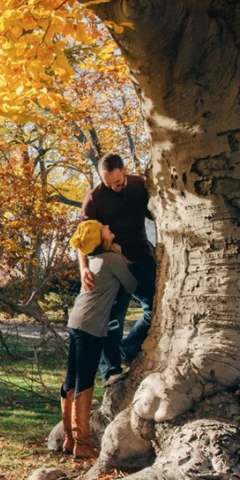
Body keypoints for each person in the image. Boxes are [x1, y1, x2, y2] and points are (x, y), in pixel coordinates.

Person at [62, 220, 137, 459]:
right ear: (100, 237)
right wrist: (123, 258)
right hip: (91, 326)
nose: (108, 226)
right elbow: (131, 285)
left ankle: (69, 439)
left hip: (76, 321)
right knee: (84, 381)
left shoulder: (93, 261)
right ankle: (82, 444)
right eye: (104, 228)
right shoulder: (112, 260)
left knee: (70, 380)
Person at [79, 153, 156, 384]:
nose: (114, 187)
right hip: (111, 263)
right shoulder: (94, 199)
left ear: (124, 170)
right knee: (111, 320)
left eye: (118, 182)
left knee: (155, 310)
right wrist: (84, 269)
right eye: (107, 183)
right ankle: (111, 371)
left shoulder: (140, 186)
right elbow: (82, 239)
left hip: (141, 257)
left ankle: (127, 350)